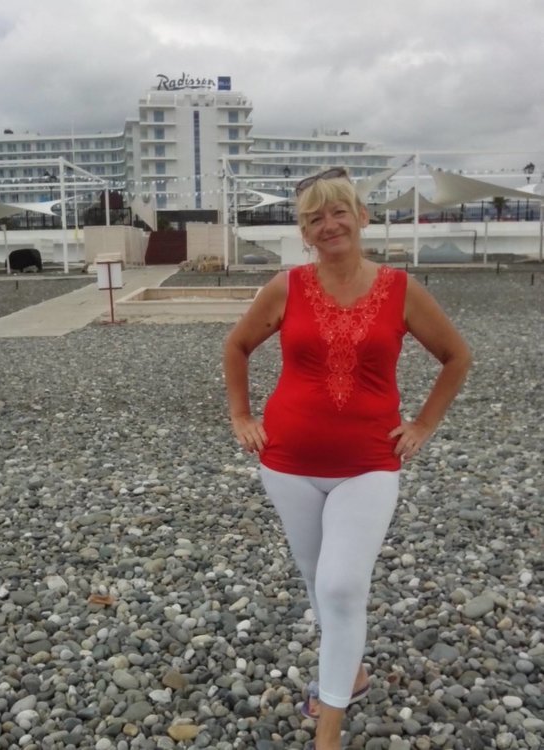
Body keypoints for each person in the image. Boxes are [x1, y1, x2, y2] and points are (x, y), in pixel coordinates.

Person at [223, 167, 471, 750]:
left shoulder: (401, 288)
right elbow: (236, 345)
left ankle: (328, 729)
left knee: (339, 586)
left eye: (338, 212)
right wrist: (241, 415)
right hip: (287, 464)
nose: (328, 224)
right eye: (314, 218)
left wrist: (423, 425)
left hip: (369, 464)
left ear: (361, 216)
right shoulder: (286, 287)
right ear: (304, 232)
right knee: (318, 579)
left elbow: (456, 356)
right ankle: (351, 673)